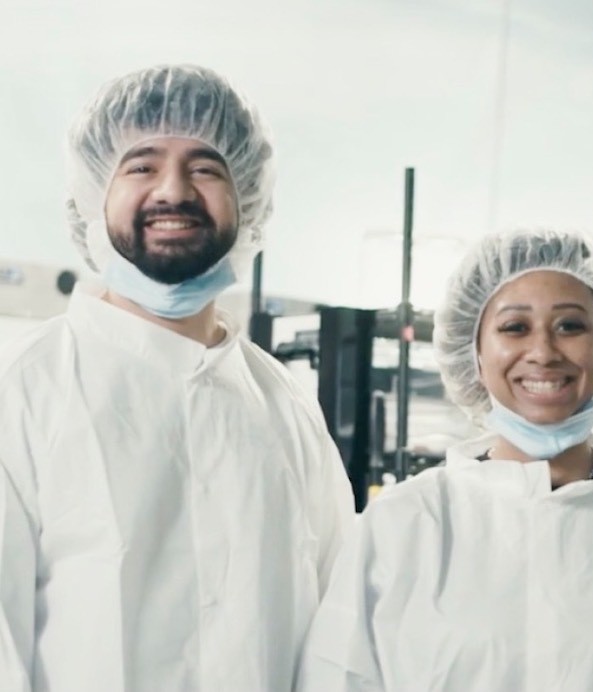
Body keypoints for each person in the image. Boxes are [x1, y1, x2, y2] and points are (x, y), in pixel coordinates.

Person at [0, 65, 354, 691]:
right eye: (140, 165)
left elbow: (337, 639)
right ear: (92, 195)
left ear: (246, 197)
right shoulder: (23, 393)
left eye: (206, 168)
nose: (174, 190)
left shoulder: (288, 408)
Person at [296, 228, 593, 691]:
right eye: (514, 327)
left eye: (570, 326)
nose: (543, 352)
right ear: (475, 354)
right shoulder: (404, 524)